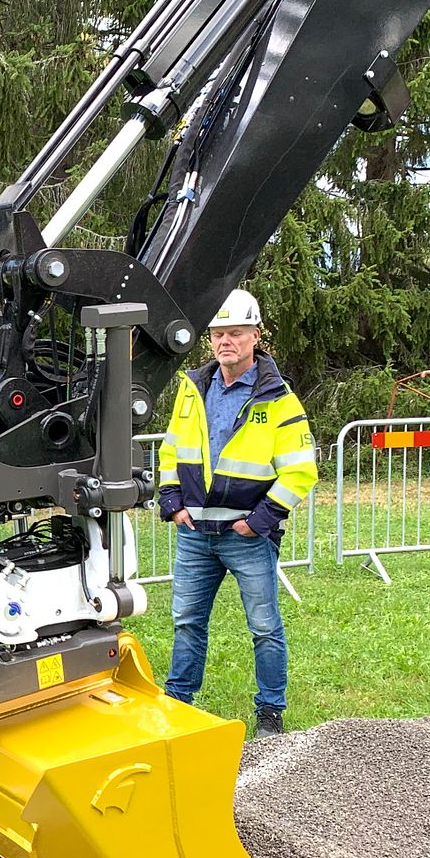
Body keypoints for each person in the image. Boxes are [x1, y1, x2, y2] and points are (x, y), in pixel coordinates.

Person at [156, 288, 317, 739]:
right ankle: (178, 703)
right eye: (219, 333)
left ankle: (270, 712)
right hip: (195, 533)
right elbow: (172, 451)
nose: (226, 341)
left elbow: (301, 472)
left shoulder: (278, 399)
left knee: (264, 627)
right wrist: (172, 503)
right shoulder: (192, 391)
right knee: (187, 622)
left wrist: (259, 521)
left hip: (246, 536)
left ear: (255, 336)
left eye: (236, 333)